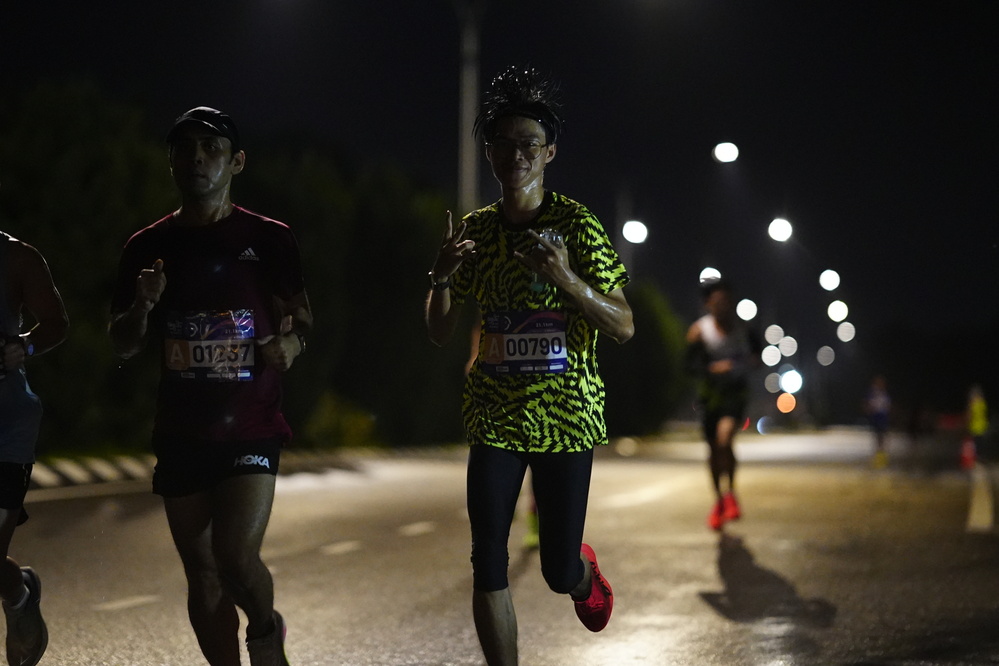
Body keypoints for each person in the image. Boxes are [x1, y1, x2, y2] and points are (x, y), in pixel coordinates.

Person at [425, 66, 633, 665]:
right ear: (489, 153)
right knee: (487, 560)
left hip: (566, 417)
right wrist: (441, 277)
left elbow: (623, 324)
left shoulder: (577, 225)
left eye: (528, 144)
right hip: (495, 415)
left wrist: (567, 279)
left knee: (556, 569)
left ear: (549, 153)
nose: (515, 155)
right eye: (503, 144)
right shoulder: (477, 233)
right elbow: (440, 332)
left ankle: (583, 576)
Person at [108, 107, 311, 666]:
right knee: (201, 572)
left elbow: (302, 317)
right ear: (171, 161)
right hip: (182, 429)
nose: (197, 158)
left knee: (235, 558)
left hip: (251, 423)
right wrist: (142, 307)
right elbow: (121, 343)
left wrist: (291, 345)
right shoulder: (145, 246)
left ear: (236, 162)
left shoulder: (269, 238)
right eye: (185, 148)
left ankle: (265, 632)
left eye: (211, 148)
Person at [0, 214, 68, 666]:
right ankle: (18, 591)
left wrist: (23, 346)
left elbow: (56, 323)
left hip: (7, 428)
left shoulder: (17, 257)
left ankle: (19, 596)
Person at [686, 277, 761, 531]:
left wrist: (747, 363)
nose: (723, 306)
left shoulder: (744, 330)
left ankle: (731, 493)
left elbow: (758, 356)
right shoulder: (699, 331)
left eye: (727, 301)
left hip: (734, 394)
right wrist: (711, 368)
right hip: (710, 396)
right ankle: (719, 500)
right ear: (708, 304)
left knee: (724, 439)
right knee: (713, 449)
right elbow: (688, 366)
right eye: (717, 301)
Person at [864, 375, 891, 468]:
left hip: (883, 417)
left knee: (882, 439)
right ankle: (879, 460)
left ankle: (881, 460)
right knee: (878, 439)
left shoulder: (884, 393)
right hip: (876, 417)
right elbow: (868, 404)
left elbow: (887, 405)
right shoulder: (873, 393)